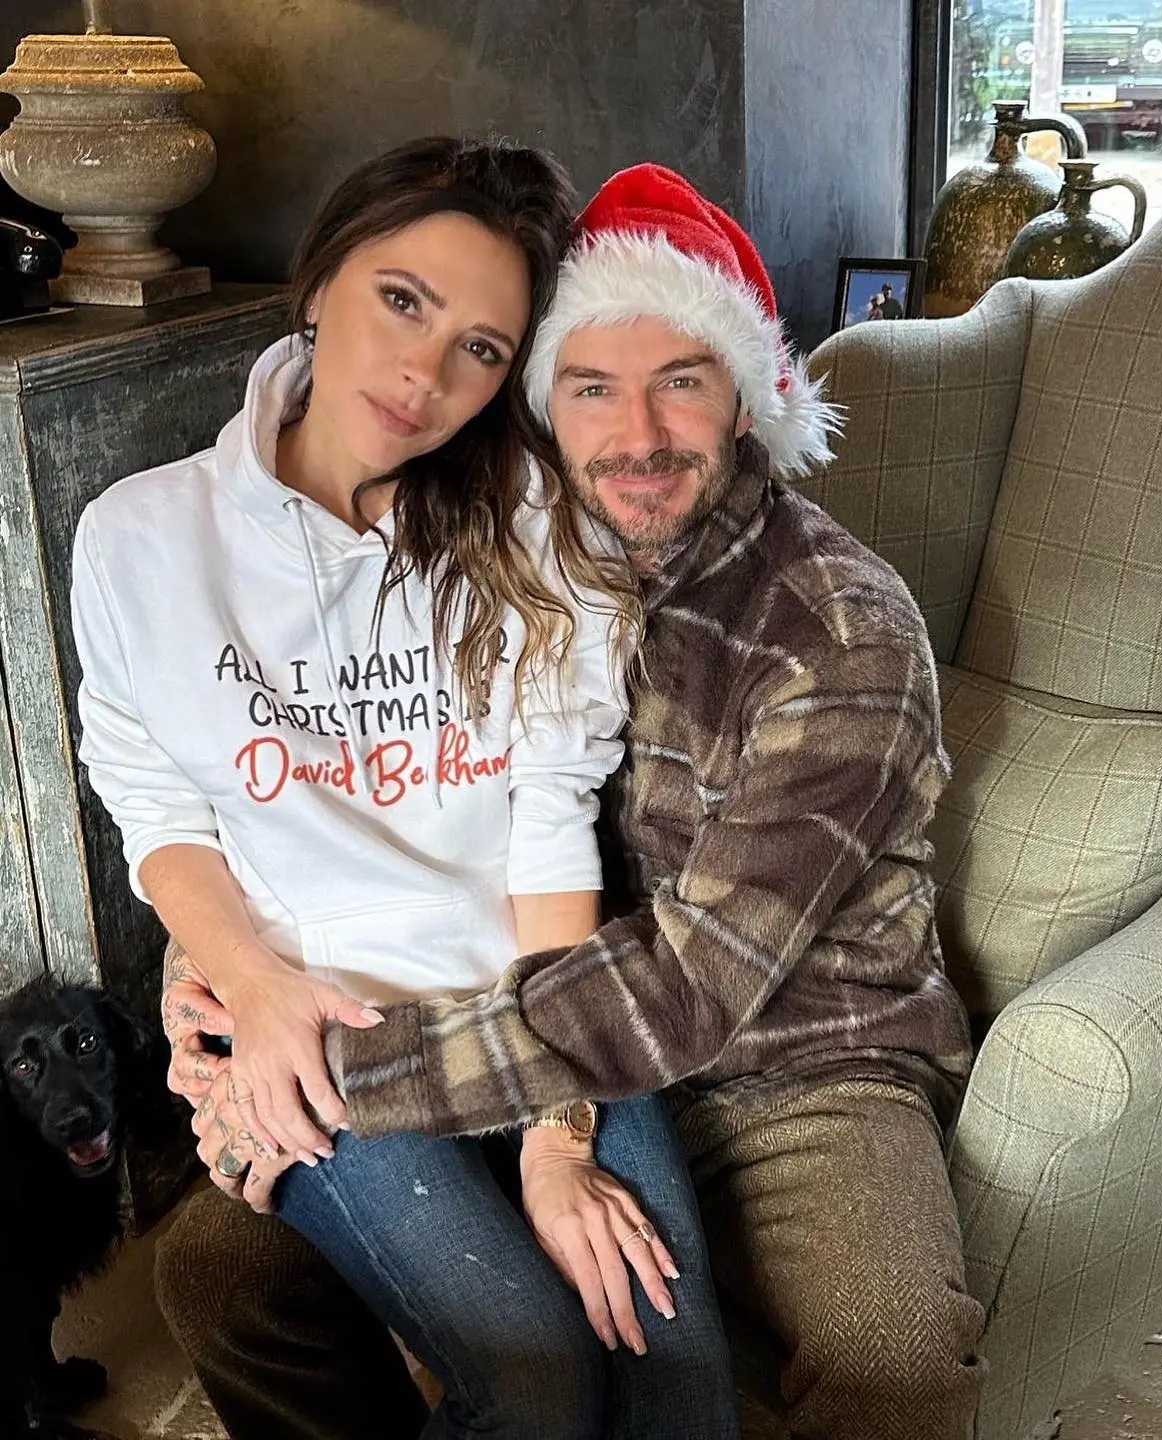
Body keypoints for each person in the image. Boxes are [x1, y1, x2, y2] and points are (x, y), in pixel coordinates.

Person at [156, 162, 987, 1440]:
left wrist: (317, 1078)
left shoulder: (842, 635)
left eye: (684, 382)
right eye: (592, 386)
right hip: (499, 991)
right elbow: (307, 771)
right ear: (543, 403)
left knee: (896, 1351)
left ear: (753, 401)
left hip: (790, 1061)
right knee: (217, 1274)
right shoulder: (472, 548)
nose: (638, 434)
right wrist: (225, 975)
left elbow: (682, 988)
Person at [70, 139, 738, 1440]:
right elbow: (156, 806)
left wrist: (558, 1137)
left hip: (535, 1002)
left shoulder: (538, 524)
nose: (428, 373)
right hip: (333, 1038)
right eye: (404, 300)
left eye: (483, 348)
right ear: (321, 280)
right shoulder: (140, 536)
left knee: (675, 1373)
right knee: (537, 1379)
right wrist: (253, 993)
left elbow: (552, 823)